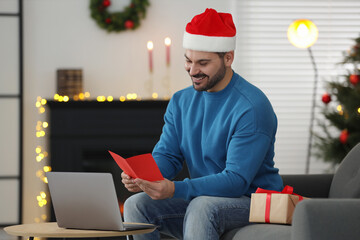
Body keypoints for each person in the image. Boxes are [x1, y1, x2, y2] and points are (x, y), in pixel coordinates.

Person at [122, 8, 283, 240]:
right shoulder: (181, 101)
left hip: (253, 202)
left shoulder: (252, 107)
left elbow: (236, 181)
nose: (193, 70)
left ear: (228, 58)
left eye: (203, 63)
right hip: (205, 198)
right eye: (188, 61)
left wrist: (175, 189)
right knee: (136, 205)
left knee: (202, 206)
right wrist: (144, 177)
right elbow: (168, 155)